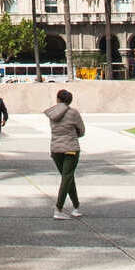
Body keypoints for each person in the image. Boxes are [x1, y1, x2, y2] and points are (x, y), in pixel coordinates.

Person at [44, 88, 85, 220]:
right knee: (67, 177)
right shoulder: (73, 113)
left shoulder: (52, 113)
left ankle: (76, 206)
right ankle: (58, 208)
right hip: (71, 148)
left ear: (58, 99)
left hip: (56, 149)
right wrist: (73, 135)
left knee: (67, 177)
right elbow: (82, 131)